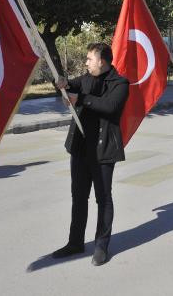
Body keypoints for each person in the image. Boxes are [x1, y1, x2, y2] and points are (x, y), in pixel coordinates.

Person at [53, 43, 129, 266]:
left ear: (101, 62)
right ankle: (75, 242)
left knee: (103, 198)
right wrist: (62, 83)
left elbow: (110, 106)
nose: (86, 63)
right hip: (80, 148)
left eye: (89, 59)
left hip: (103, 150)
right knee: (78, 196)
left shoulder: (120, 83)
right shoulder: (86, 79)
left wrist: (81, 99)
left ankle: (101, 246)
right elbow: (72, 85)